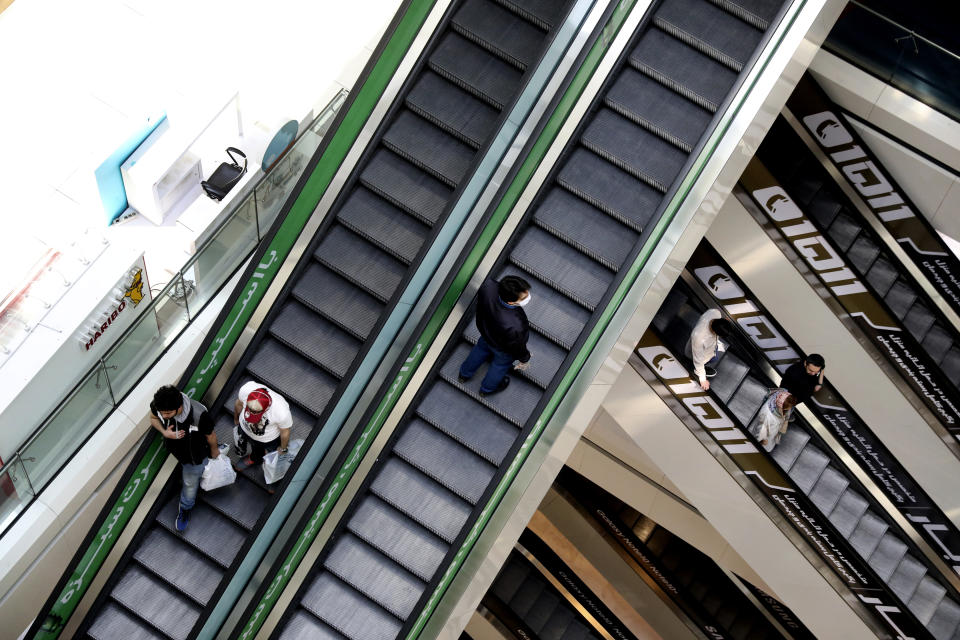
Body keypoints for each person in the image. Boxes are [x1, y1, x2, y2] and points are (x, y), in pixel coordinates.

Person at [150, 385, 219, 532]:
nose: (165, 416)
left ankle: (185, 507)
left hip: (195, 457)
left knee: (190, 484)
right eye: (163, 413)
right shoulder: (160, 406)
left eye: (168, 413)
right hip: (177, 451)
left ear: (179, 406)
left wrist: (215, 451)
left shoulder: (199, 415)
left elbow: (211, 435)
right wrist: (165, 432)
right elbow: (153, 417)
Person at [458, 275, 532, 396]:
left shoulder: (488, 286)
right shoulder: (516, 325)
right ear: (511, 302)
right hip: (502, 348)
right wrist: (525, 358)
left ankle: (464, 374)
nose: (528, 295)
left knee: (479, 350)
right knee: (499, 365)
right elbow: (517, 345)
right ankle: (486, 389)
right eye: (523, 297)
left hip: (486, 334)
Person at [233, 381, 293, 473]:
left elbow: (285, 432)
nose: (251, 414)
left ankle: (270, 464)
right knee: (253, 448)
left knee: (273, 454)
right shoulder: (246, 390)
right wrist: (236, 418)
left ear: (266, 408)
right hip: (244, 428)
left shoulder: (281, 411)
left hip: (268, 440)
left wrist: (283, 448)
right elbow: (239, 404)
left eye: (256, 413)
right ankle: (255, 458)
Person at [686, 309, 733, 391]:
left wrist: (724, 321)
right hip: (696, 354)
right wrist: (703, 380)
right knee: (707, 361)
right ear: (714, 332)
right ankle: (698, 371)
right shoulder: (699, 337)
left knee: (715, 358)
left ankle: (704, 367)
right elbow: (698, 360)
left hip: (711, 348)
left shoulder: (715, 313)